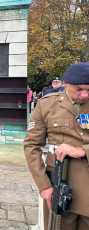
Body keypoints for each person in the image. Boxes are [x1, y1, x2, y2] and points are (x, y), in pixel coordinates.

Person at [24, 62, 89, 229]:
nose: (84, 94)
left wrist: (82, 151)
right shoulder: (47, 104)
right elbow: (31, 145)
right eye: (79, 89)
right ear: (65, 84)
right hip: (60, 184)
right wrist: (44, 185)